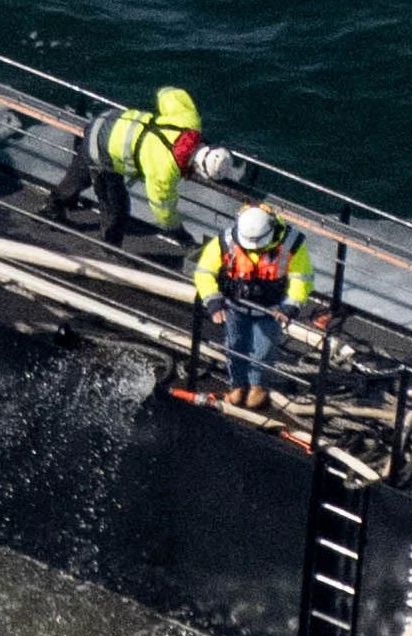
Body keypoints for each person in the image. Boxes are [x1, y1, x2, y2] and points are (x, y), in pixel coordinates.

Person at [195, 203, 319, 409]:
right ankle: (238, 385)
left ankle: (257, 386)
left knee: (264, 350)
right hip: (234, 306)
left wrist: (290, 306)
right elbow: (204, 271)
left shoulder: (291, 245)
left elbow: (302, 279)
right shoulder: (225, 241)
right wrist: (213, 301)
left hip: (271, 310)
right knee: (234, 346)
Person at [48, 86, 205, 247]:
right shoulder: (164, 170)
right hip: (102, 149)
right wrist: (181, 235)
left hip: (110, 120)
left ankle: (53, 206)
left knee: (81, 176)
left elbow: (166, 93)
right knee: (116, 207)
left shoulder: (190, 121)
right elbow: (162, 210)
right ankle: (110, 247)